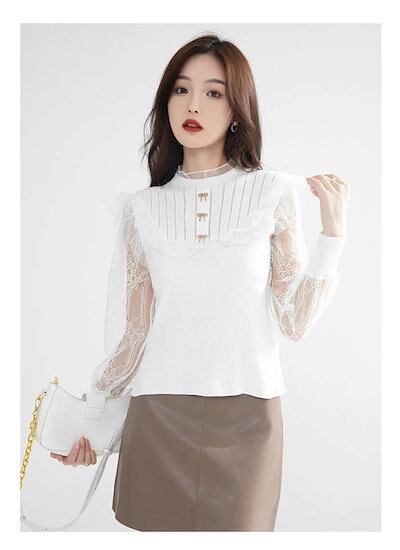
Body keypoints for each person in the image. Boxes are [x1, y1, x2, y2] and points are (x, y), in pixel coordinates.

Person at [50, 33, 350, 531]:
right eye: (181, 89)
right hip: (157, 416)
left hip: (249, 419)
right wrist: (90, 423)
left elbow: (294, 321)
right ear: (165, 100)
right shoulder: (141, 210)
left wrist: (332, 237)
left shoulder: (272, 193)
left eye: (213, 92)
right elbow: (134, 336)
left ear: (237, 109)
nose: (193, 105)